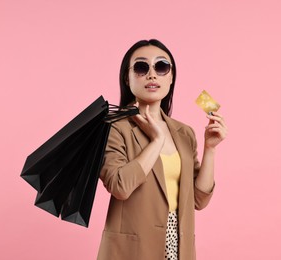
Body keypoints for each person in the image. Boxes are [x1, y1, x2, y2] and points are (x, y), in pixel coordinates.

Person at [97, 39, 227, 260]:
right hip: (132, 251)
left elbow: (199, 200)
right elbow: (120, 186)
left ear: (171, 77)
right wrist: (156, 140)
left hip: (178, 247)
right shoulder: (113, 127)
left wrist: (211, 149)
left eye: (161, 66)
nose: (152, 74)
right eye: (140, 67)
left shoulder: (184, 133)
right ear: (127, 79)